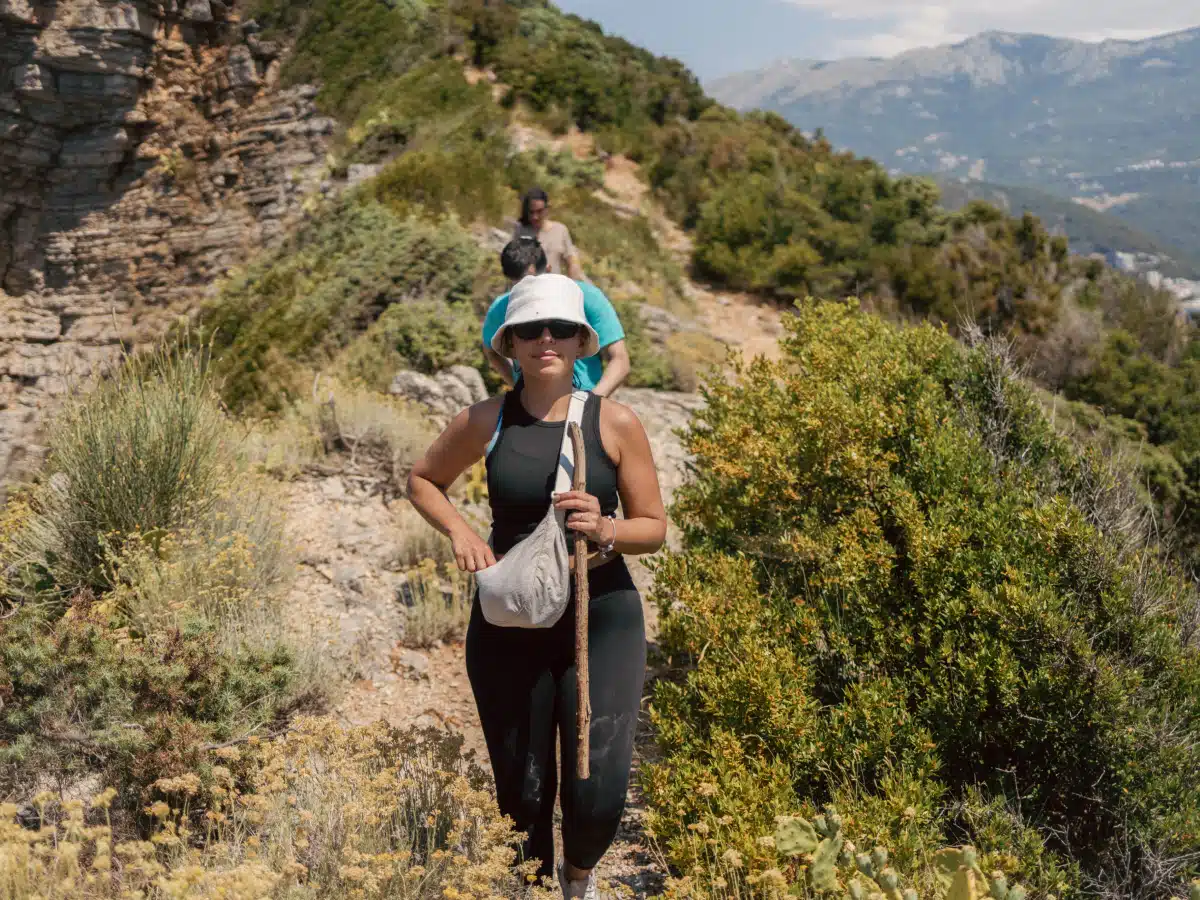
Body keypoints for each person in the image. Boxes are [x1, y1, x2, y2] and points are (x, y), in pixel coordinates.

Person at [407, 274, 667, 899]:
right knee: (522, 791)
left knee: (598, 790)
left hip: (602, 612)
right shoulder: (485, 420)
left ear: (583, 341)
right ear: (511, 343)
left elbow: (654, 528)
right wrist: (463, 536)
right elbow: (422, 480)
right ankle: (530, 889)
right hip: (512, 621)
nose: (544, 339)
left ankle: (579, 876)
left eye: (559, 329)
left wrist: (605, 527)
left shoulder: (617, 423)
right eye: (528, 329)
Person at [483, 236, 631, 397]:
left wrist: (591, 404)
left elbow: (620, 359)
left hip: (585, 395)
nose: (528, 289)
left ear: (548, 269)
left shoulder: (586, 297)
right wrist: (518, 387)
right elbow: (491, 351)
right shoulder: (501, 306)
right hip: (531, 406)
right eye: (518, 285)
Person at [514, 187, 585, 281]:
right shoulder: (520, 232)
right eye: (531, 212)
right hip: (528, 290)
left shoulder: (560, 230)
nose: (535, 217)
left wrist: (572, 283)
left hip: (553, 289)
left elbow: (572, 260)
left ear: (547, 209)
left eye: (539, 211)